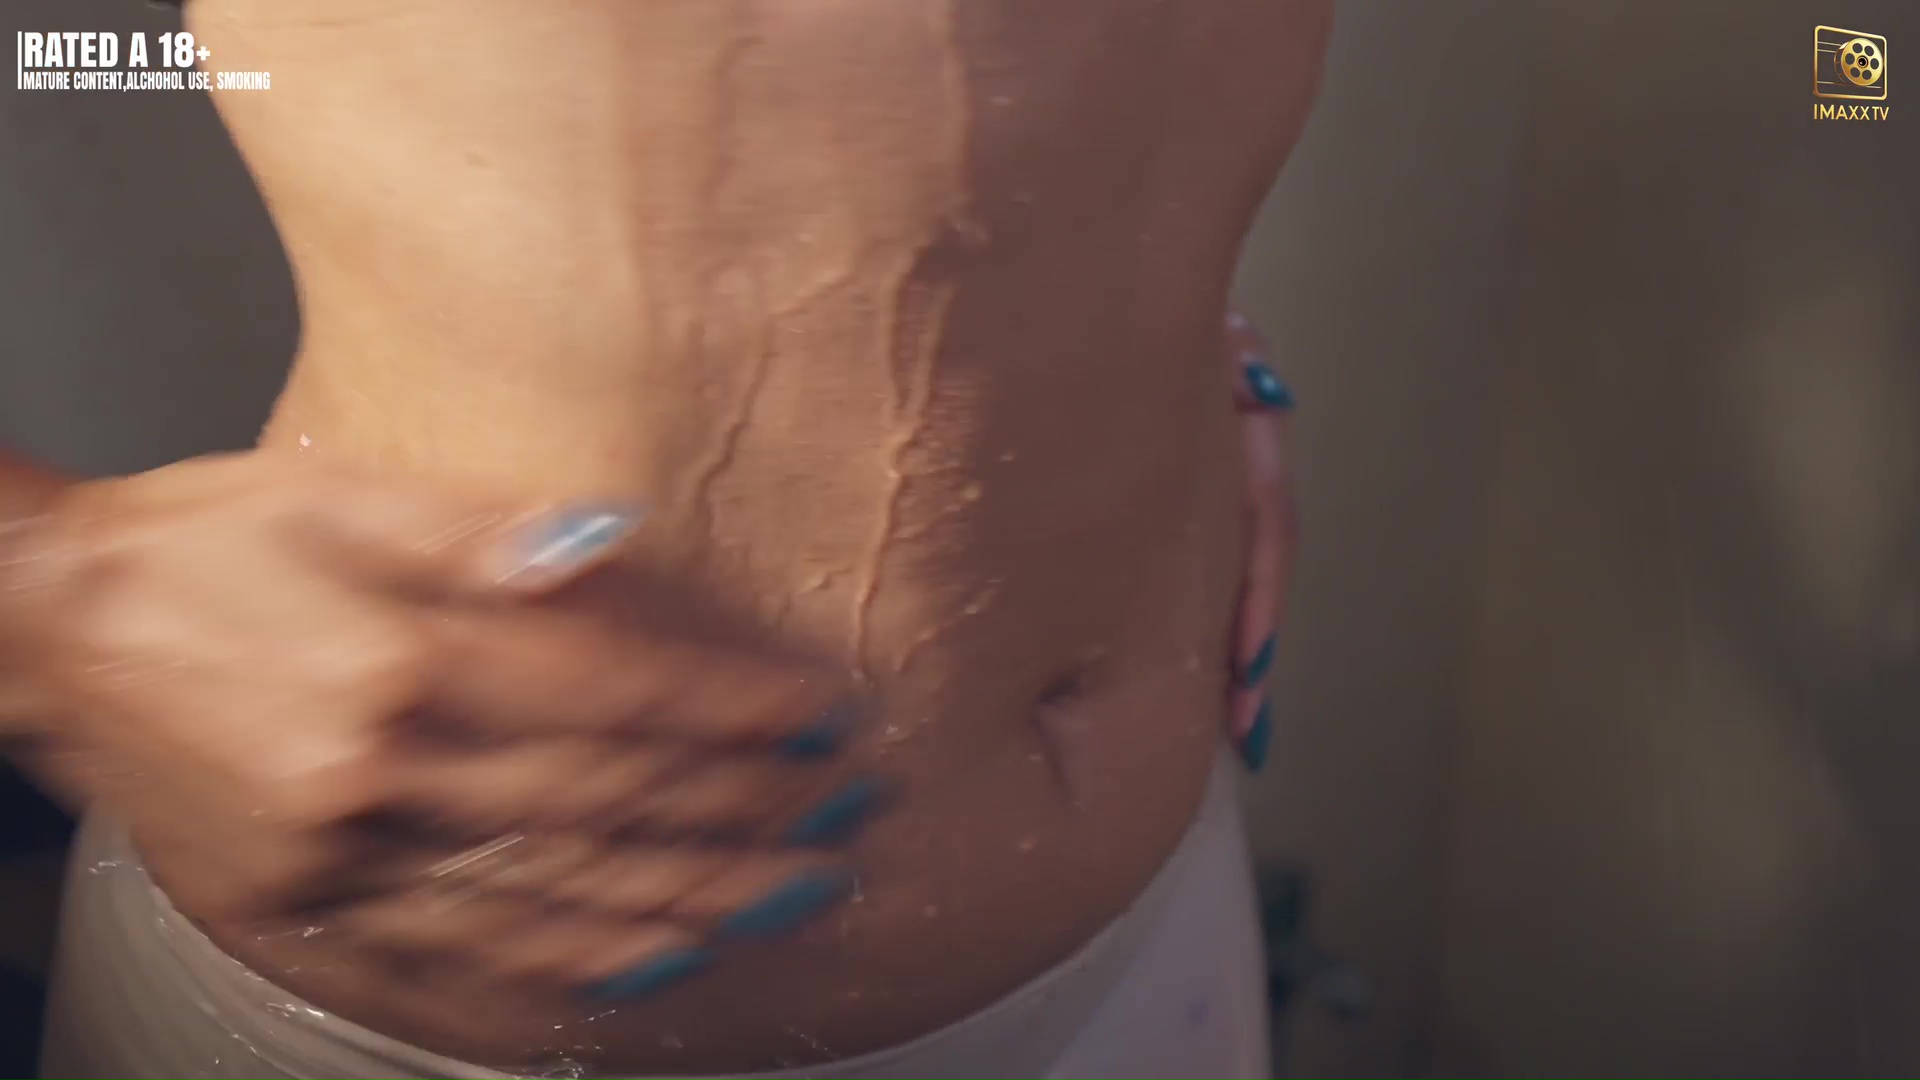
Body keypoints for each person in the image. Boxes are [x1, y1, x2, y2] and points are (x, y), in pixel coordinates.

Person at [1, 0, 1330, 1076]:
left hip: (1153, 912)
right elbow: (76, 55)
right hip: (460, 976)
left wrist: (1082, 281)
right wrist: (48, 596)